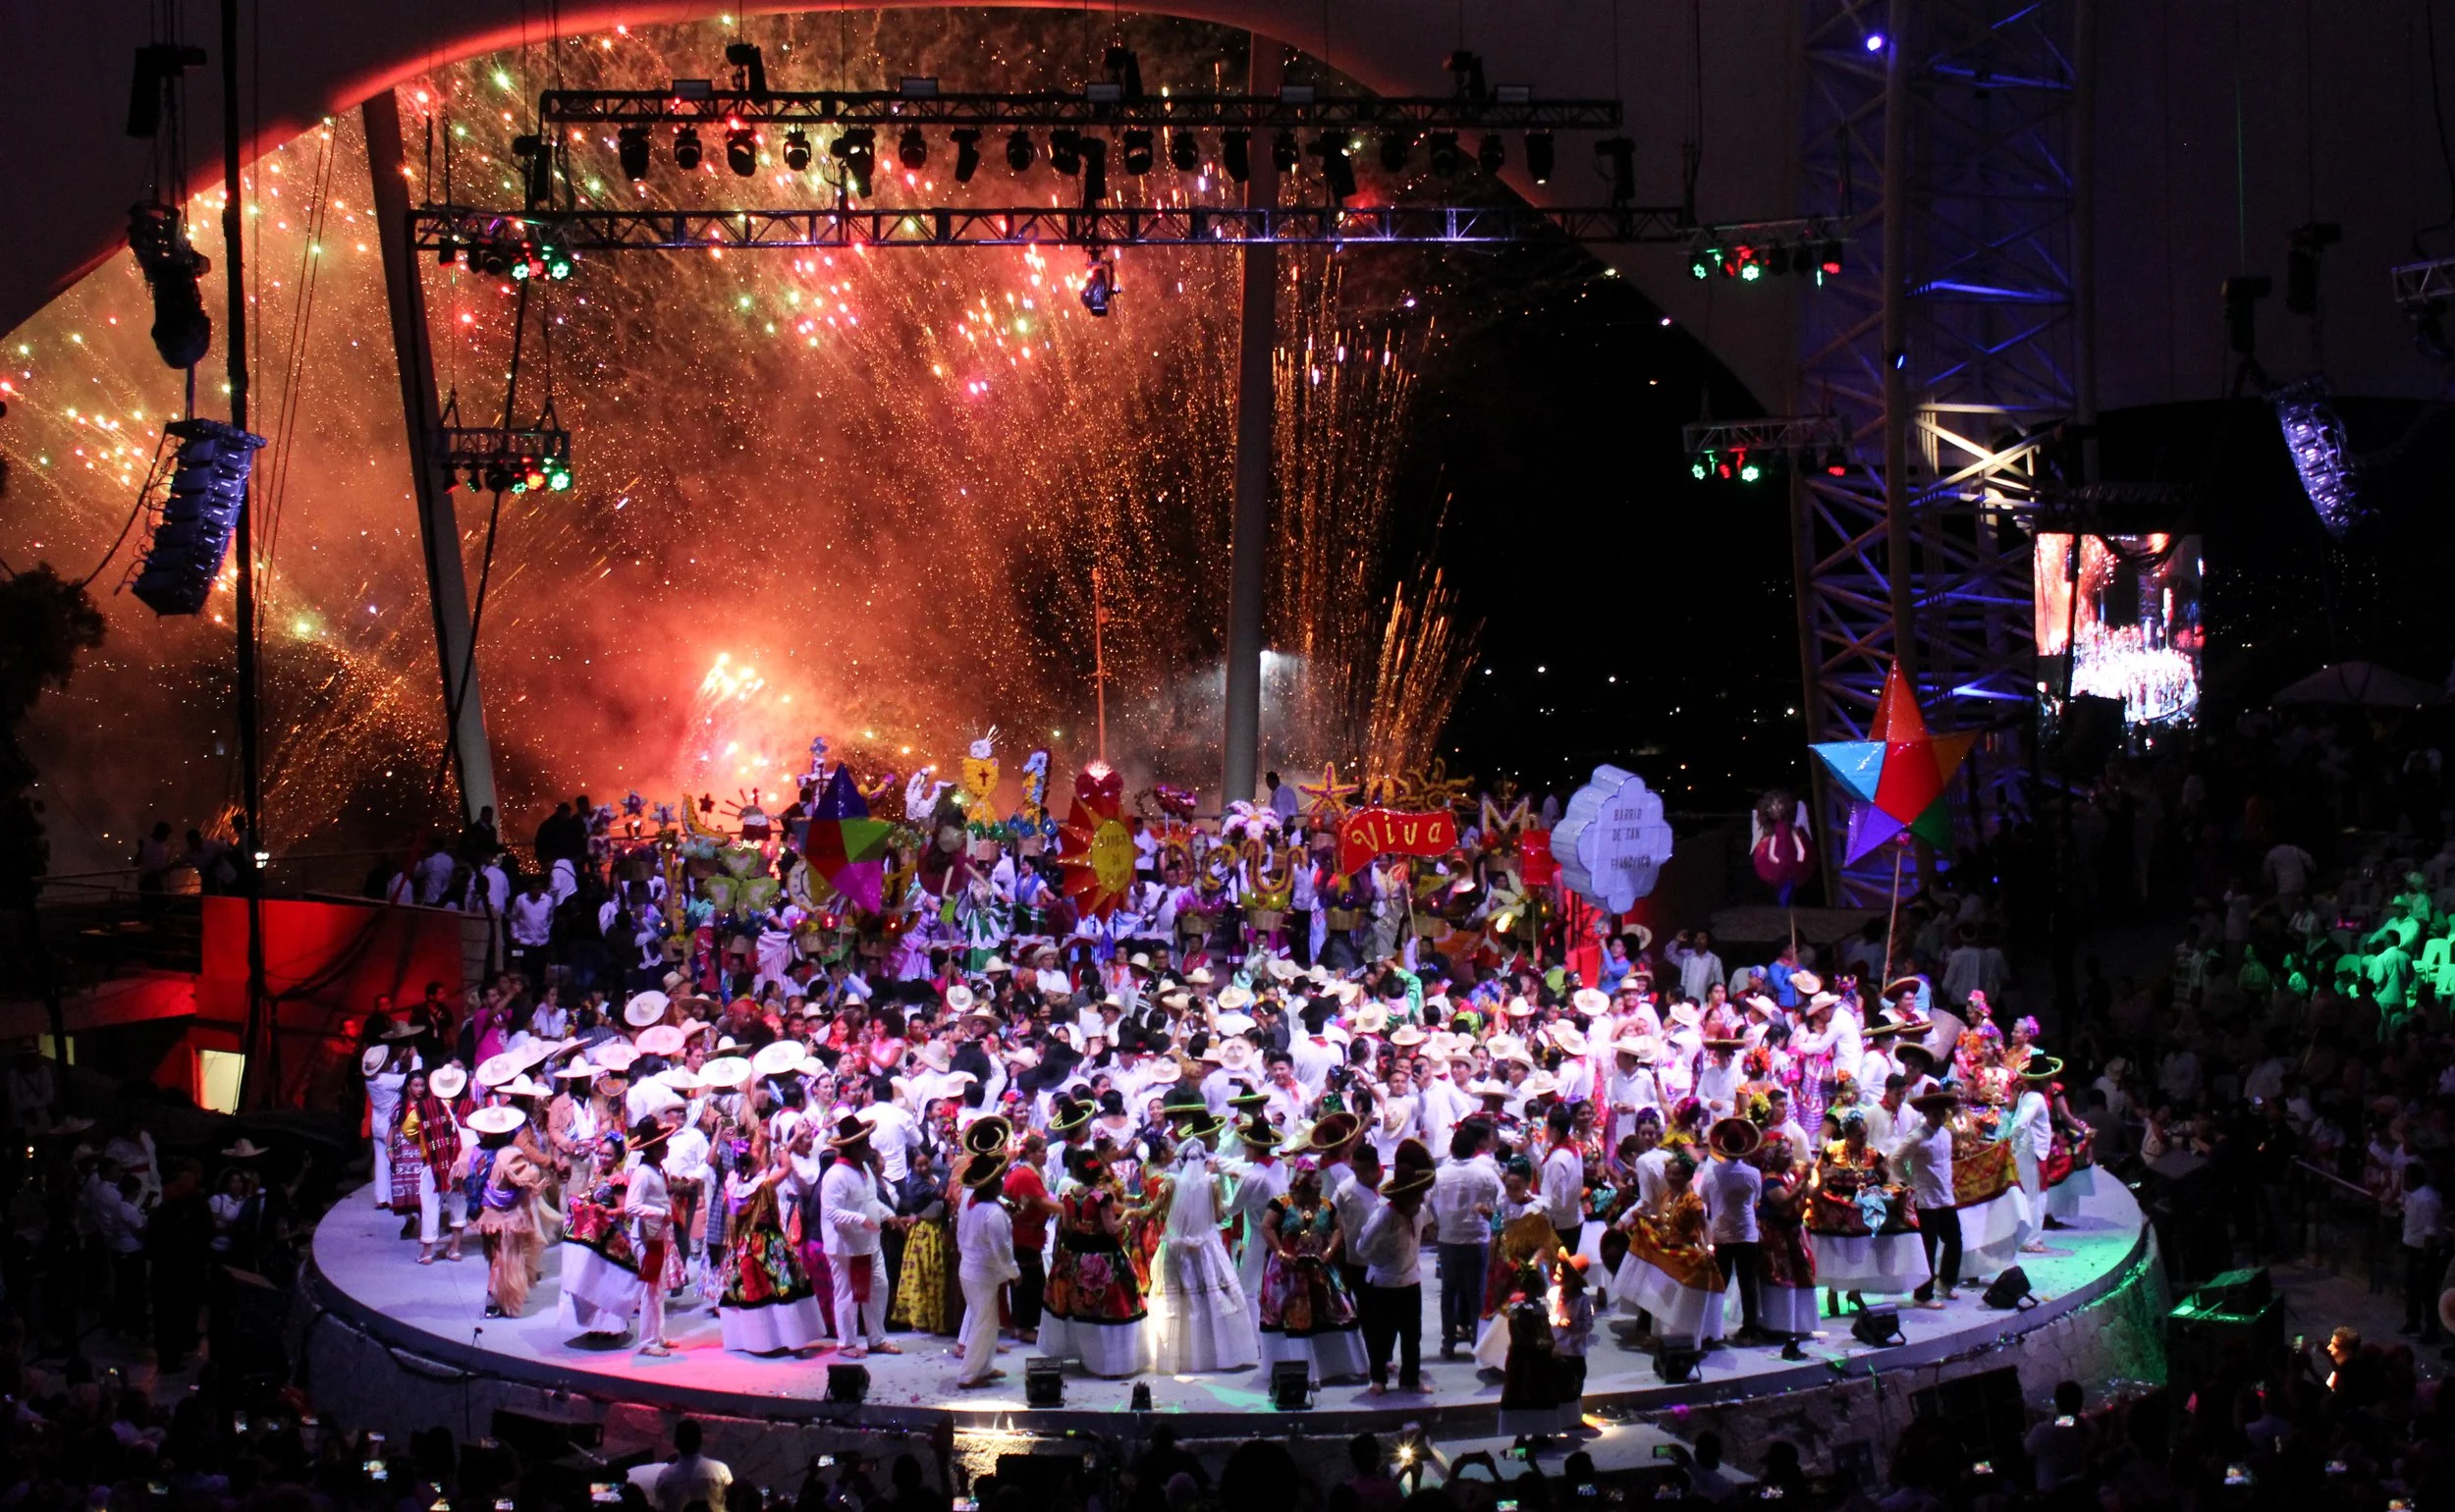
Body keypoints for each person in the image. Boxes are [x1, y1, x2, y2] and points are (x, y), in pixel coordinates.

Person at [1144, 1132, 1258, 1374]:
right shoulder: (1212, 1183)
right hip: (1207, 1247)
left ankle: (1182, 1356)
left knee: (1180, 1301)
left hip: (1176, 1248)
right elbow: (1219, 1216)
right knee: (1213, 1299)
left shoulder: (1170, 1183)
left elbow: (1153, 1212)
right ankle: (1220, 1353)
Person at [715, 1134, 830, 1355]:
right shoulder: (764, 1184)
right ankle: (790, 1339)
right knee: (781, 1287)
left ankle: (758, 1341)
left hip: (743, 1247)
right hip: (767, 1243)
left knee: (748, 1289)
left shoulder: (732, 1186)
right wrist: (786, 1144)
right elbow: (786, 1167)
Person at [1040, 1147, 1149, 1377]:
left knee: (1082, 1308)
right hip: (1104, 1256)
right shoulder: (1101, 1198)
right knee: (1113, 1307)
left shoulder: (1068, 1195)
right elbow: (1110, 1228)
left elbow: (1068, 1226)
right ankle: (1111, 1363)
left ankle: (1085, 1356)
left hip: (1076, 1257)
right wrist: (1128, 1216)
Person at [1256, 1156, 1367, 1380]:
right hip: (1289, 1271)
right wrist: (1279, 1251)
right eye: (1312, 1185)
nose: (1317, 1189)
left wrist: (1330, 1250)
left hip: (1320, 1268)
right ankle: (1300, 1370)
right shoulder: (1282, 1203)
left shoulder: (1326, 1205)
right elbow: (1267, 1226)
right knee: (1295, 1316)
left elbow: (1338, 1228)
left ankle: (1333, 1367)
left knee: (1334, 1311)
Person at [1354, 1138, 1434, 1394]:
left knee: (1412, 1335)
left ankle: (1410, 1378)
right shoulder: (1384, 1216)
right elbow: (1362, 1247)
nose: (1421, 1198)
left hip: (1411, 1281)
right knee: (1382, 1335)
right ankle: (1378, 1378)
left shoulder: (1419, 1211)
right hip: (1384, 1283)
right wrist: (1381, 1260)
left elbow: (1429, 1227)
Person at [819, 1114, 901, 1361]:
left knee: (878, 1287)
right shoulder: (835, 1175)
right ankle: (846, 1343)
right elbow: (831, 1212)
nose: (869, 1147)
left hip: (868, 1242)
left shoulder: (864, 1168)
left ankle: (877, 1339)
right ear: (853, 1147)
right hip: (845, 1245)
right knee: (846, 1294)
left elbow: (870, 1200)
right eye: (864, 1143)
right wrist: (859, 1219)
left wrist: (888, 1215)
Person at [954, 1149, 1019, 1387]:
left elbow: (963, 1238)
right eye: (999, 1180)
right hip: (982, 1274)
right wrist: (1014, 1272)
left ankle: (984, 1367)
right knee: (983, 1323)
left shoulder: (972, 1205)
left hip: (971, 1270)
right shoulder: (992, 1213)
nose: (1002, 1184)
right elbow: (1002, 1250)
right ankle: (969, 1375)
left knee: (988, 1321)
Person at [624, 1117, 679, 1355]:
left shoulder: (656, 1169)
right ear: (654, 1148)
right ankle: (647, 1341)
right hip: (647, 1237)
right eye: (664, 1145)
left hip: (657, 1235)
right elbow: (631, 1207)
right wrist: (660, 1212)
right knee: (651, 1290)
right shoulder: (643, 1174)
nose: (667, 1148)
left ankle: (658, 1335)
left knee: (658, 1288)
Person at [653, 1421, 732, 1512]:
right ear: (701, 1441)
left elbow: (659, 1505)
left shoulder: (665, 1476)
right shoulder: (721, 1470)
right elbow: (733, 1500)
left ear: (675, 1444)